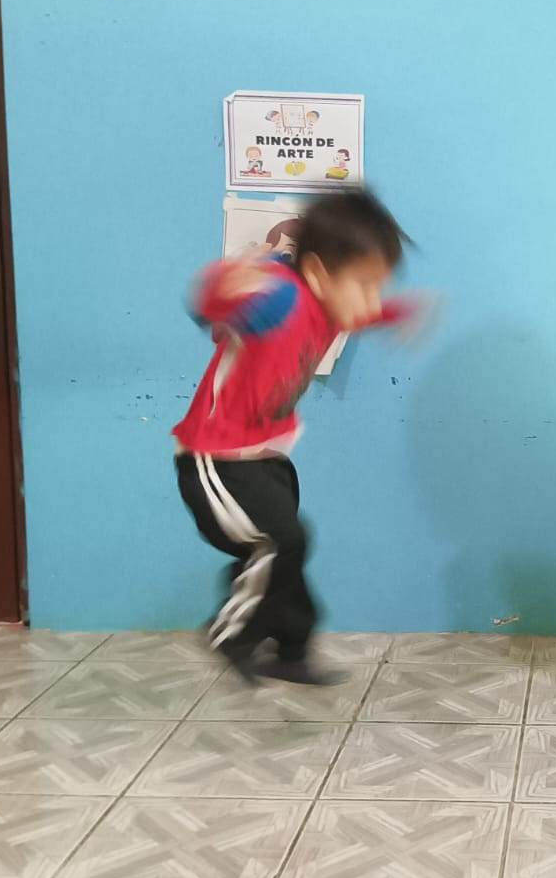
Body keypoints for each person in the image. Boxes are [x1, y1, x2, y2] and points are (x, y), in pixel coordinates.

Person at [174, 188, 411, 684]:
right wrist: (224, 282)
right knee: (282, 543)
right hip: (216, 459)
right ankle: (230, 632)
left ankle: (291, 650)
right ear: (318, 273)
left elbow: (362, 311)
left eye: (379, 288)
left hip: (264, 458)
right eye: (365, 286)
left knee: (288, 553)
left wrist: (396, 313)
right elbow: (212, 304)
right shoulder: (281, 297)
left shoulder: (331, 306)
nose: (371, 301)